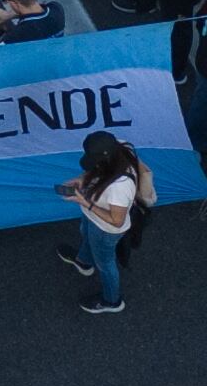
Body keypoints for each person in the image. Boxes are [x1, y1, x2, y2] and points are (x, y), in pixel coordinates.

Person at [59, 130, 151, 314]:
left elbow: (116, 221)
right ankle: (83, 261)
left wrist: (84, 202)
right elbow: (97, 171)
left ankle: (112, 300)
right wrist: (81, 180)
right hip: (92, 217)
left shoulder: (120, 187)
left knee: (106, 264)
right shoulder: (120, 147)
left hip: (105, 229)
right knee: (86, 233)